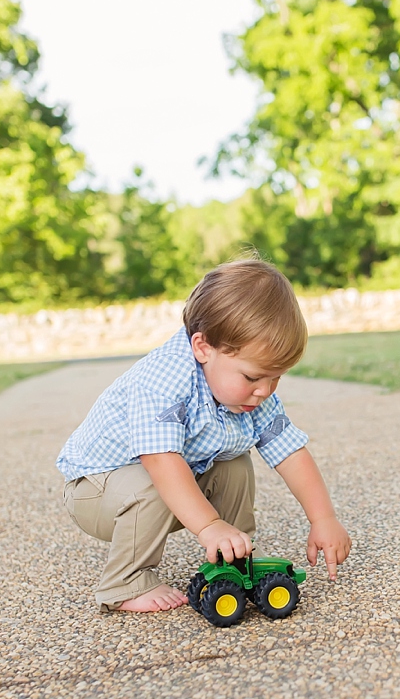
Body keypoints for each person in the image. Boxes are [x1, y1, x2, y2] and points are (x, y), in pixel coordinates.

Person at [56, 255, 351, 613]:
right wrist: (208, 524)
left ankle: (234, 553)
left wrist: (323, 518)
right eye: (253, 377)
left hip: (162, 486)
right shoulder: (163, 380)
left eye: (276, 377)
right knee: (150, 481)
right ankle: (124, 583)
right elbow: (161, 462)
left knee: (234, 463)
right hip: (97, 490)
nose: (265, 390)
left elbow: (290, 452)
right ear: (203, 347)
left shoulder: (251, 395)